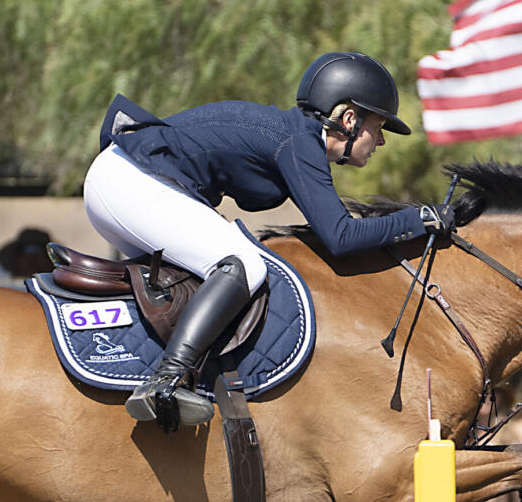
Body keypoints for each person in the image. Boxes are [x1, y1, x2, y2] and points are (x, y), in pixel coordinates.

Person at [83, 51, 449, 430]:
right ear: (350, 119)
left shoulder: (295, 136)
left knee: (201, 277)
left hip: (120, 180)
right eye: (380, 125)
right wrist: (420, 218)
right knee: (243, 264)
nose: (382, 141)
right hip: (131, 182)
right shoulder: (299, 141)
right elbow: (340, 236)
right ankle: (168, 380)